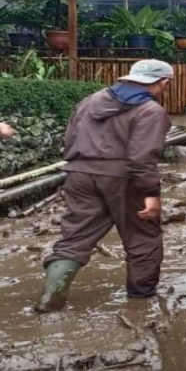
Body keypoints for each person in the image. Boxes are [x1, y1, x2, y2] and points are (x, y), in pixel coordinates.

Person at [35, 59, 174, 313]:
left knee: (75, 236)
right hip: (124, 179)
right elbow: (142, 158)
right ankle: (140, 302)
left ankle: (51, 297)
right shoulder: (150, 111)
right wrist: (151, 195)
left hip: (78, 174)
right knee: (142, 236)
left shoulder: (90, 101)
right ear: (163, 82)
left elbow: (69, 139)